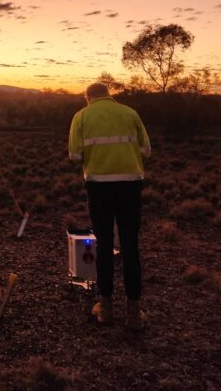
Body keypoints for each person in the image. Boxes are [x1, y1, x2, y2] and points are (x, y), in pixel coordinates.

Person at [68, 81, 151, 330]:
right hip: (130, 186)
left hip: (99, 187)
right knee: (130, 245)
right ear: (108, 95)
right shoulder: (130, 113)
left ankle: (105, 309)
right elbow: (146, 150)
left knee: (103, 244)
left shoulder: (81, 116)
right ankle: (134, 313)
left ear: (88, 98)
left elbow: (74, 156)